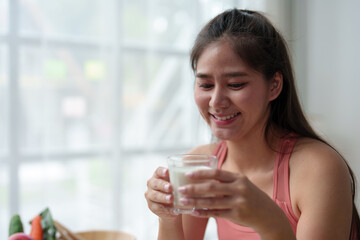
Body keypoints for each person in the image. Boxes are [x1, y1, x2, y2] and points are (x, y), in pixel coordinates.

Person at [144, 9, 360, 240]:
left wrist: (268, 218)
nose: (216, 101)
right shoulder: (200, 164)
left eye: (236, 84)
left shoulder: (319, 168)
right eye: (205, 85)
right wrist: (168, 218)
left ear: (274, 86)